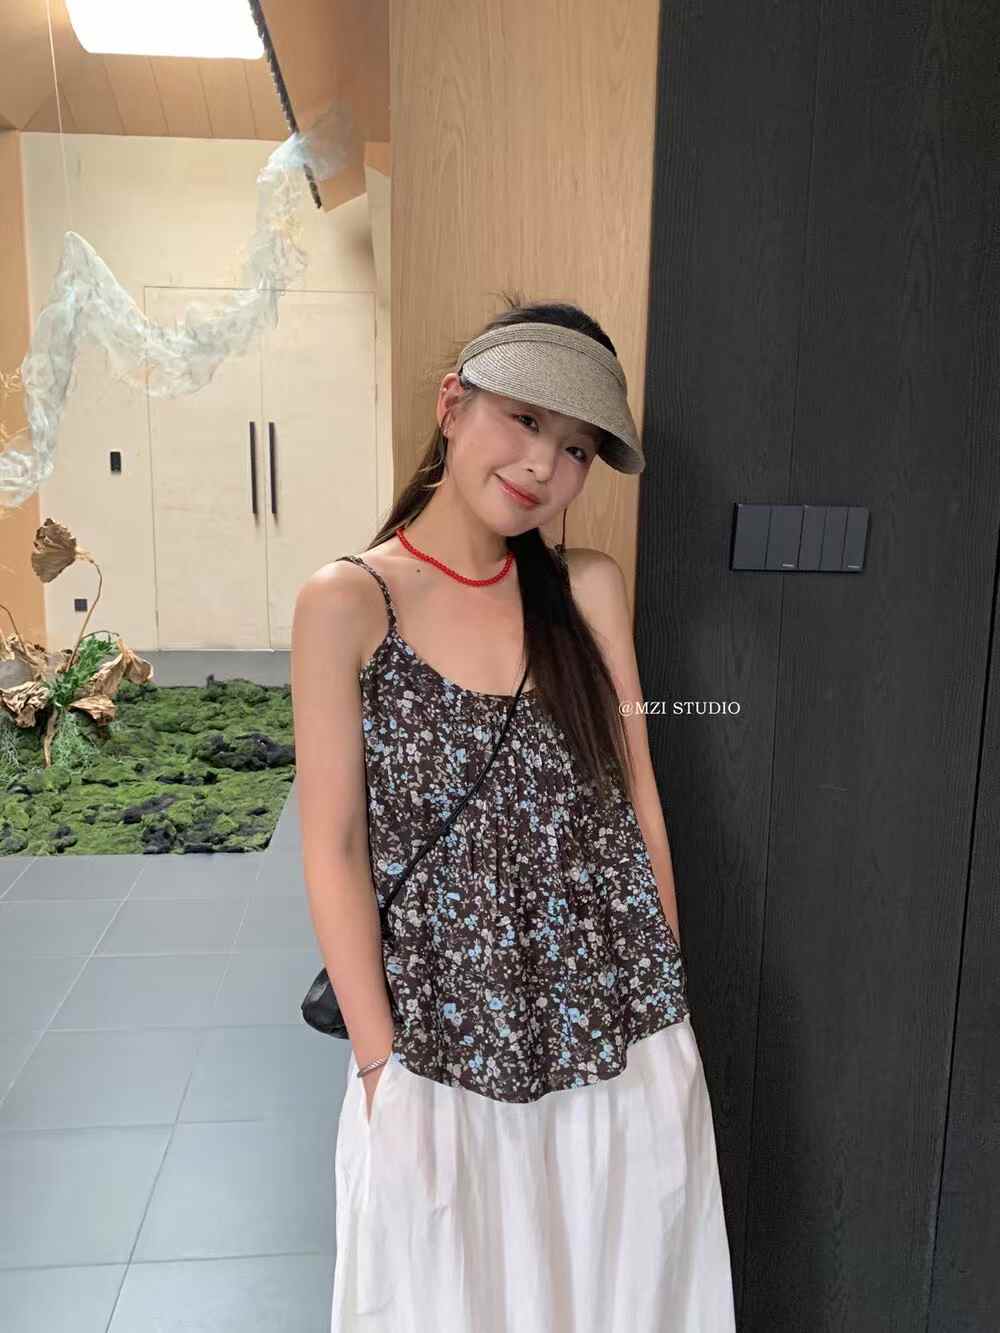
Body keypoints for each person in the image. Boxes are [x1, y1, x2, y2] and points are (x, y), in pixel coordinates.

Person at [291, 297, 736, 1332]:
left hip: (615, 1034)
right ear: (453, 404)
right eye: (525, 419)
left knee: (620, 1295)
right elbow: (334, 847)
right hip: (445, 1044)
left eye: (575, 448)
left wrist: (667, 1006)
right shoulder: (347, 602)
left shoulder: (587, 590)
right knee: (457, 1298)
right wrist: (380, 1068)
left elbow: (637, 802)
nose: (544, 464)